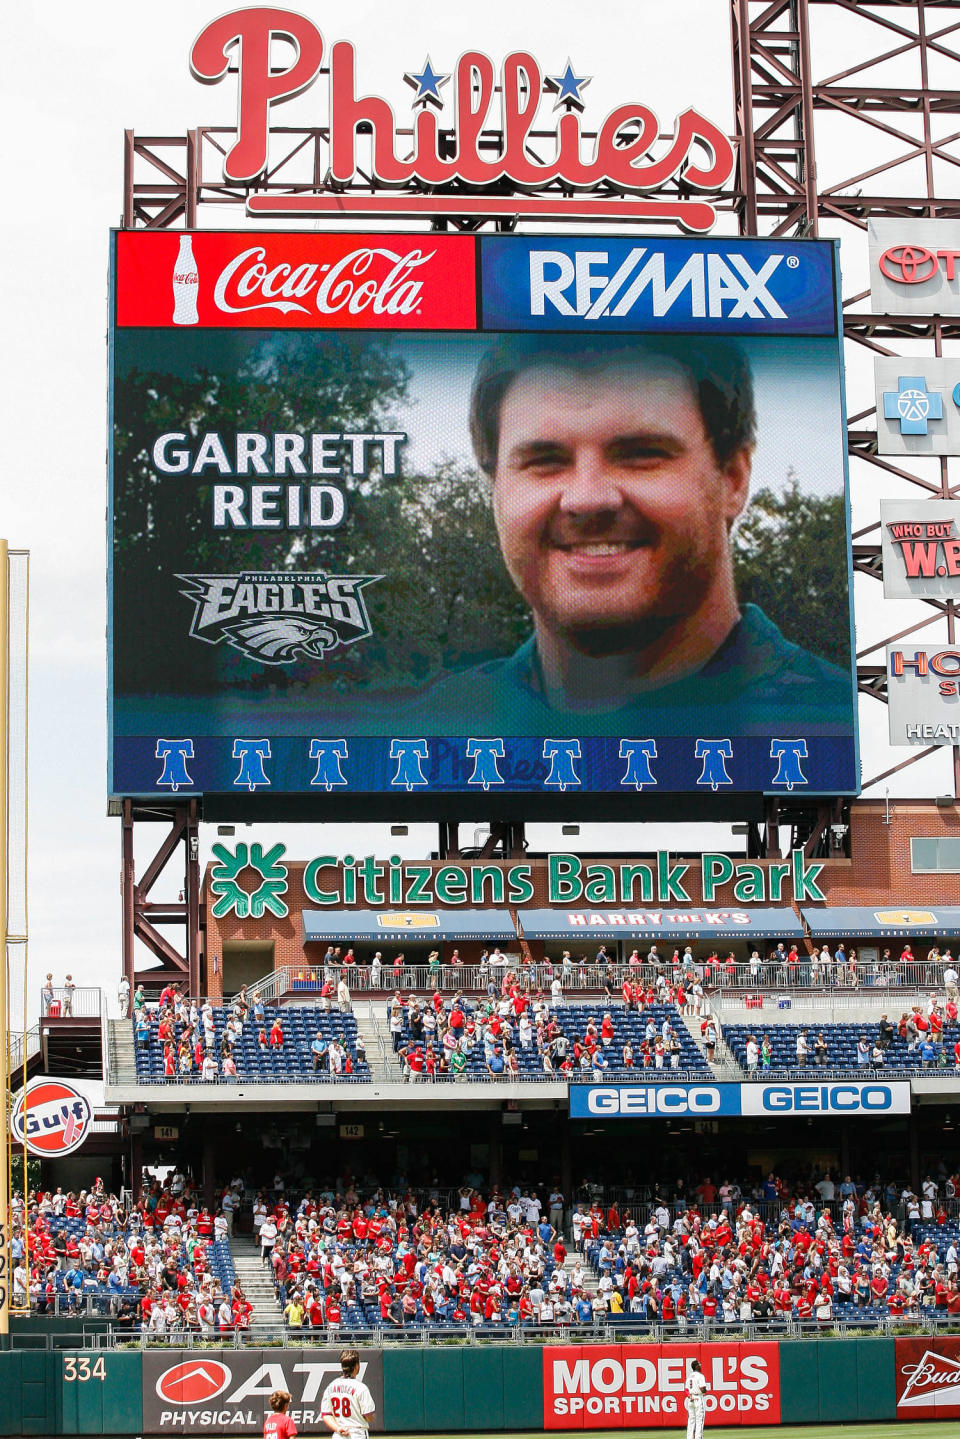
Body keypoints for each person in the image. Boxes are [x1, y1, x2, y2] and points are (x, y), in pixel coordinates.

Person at [403, 333, 851, 733]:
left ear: (733, 478)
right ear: (495, 492)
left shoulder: (838, 723)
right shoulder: (423, 735)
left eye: (640, 454)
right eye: (545, 461)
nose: (587, 498)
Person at [320, 1349, 376, 1439]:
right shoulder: (361, 1388)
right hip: (358, 1433)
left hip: (339, 1434)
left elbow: (326, 1415)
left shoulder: (331, 1386)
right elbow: (369, 1416)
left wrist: (338, 1428)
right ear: (357, 1366)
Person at [685, 1358, 709, 1439]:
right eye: (699, 1364)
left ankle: (689, 1437)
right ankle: (698, 1437)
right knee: (699, 1420)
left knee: (691, 1420)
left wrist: (689, 1396)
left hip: (691, 1399)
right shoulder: (700, 1376)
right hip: (698, 1398)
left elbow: (686, 1390)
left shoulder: (689, 1376)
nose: (700, 1366)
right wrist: (705, 1391)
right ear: (696, 1366)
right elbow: (702, 1389)